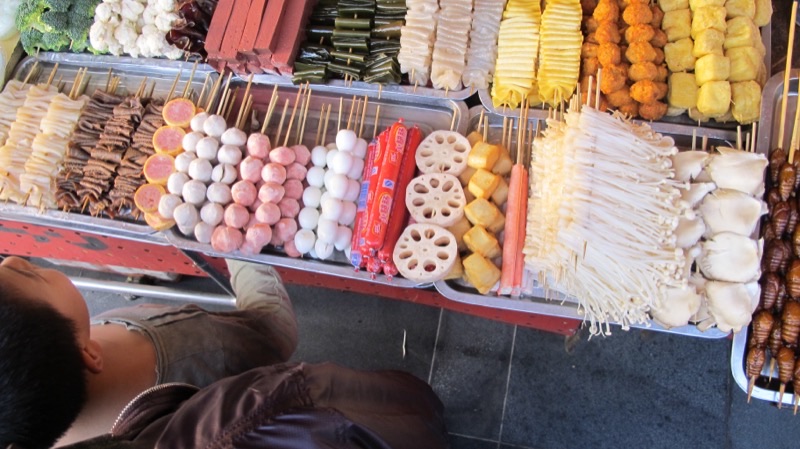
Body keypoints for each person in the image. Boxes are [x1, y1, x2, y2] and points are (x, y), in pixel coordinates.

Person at [0, 256, 298, 449]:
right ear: (89, 354)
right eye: (32, 276)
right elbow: (275, 332)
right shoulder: (201, 350)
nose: (12, 259)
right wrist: (240, 251)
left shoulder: (51, 373)